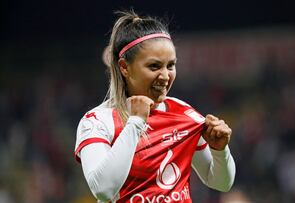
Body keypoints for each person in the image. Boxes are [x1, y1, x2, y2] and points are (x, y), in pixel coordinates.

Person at [74, 10, 236, 203]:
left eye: (170, 65)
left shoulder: (183, 113)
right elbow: (103, 190)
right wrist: (135, 123)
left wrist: (220, 150)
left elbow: (220, 182)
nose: (165, 76)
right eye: (154, 66)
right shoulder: (97, 121)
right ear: (124, 67)